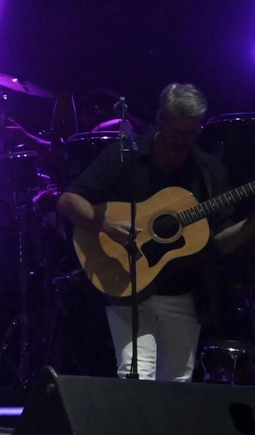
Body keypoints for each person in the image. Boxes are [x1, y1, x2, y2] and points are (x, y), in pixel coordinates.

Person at [57, 83, 255, 381]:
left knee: (177, 385)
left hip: (185, 293)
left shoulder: (209, 170)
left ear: (200, 128)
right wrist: (107, 224)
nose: (181, 141)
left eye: (189, 133)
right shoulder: (126, 154)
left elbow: (220, 243)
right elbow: (68, 201)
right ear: (161, 120)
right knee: (136, 378)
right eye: (175, 132)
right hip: (127, 284)